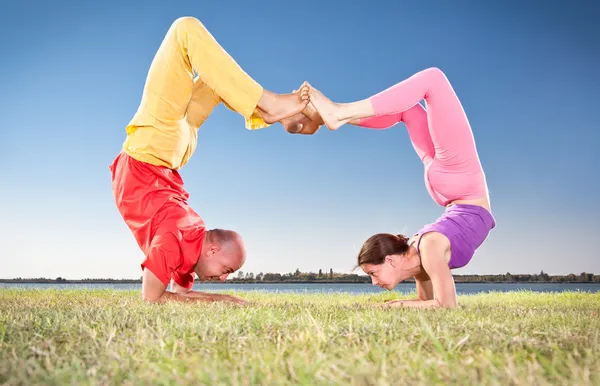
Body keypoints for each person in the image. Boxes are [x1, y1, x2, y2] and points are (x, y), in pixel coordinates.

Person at [109, 16, 309, 303]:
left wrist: (222, 300)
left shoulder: (184, 238)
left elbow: (167, 296)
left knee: (207, 67)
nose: (224, 279)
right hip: (155, 148)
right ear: (212, 250)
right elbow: (159, 298)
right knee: (185, 30)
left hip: (167, 150)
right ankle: (268, 108)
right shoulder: (178, 237)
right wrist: (223, 300)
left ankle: (269, 111)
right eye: (227, 270)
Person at [306, 67, 496, 308]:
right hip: (454, 188)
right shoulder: (423, 256)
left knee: (432, 80)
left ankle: (336, 114)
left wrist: (392, 305)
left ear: (390, 260)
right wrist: (391, 304)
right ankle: (332, 116)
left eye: (373, 273)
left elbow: (445, 306)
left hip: (457, 181)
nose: (374, 282)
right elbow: (427, 302)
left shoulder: (427, 246)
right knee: (410, 104)